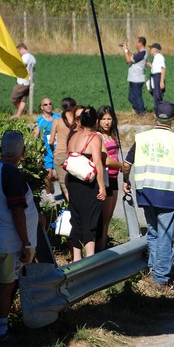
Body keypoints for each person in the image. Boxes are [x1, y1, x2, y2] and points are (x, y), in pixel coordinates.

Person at [123, 101, 174, 290]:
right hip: (168, 195)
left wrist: (125, 180)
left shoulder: (142, 138)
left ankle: (153, 269)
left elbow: (127, 164)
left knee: (153, 232)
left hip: (145, 193)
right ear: (173, 118)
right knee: (165, 236)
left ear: (155, 115)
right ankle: (161, 279)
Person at [0, 130, 39, 340]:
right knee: (7, 284)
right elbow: (17, 211)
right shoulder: (11, 174)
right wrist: (26, 243)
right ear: (23, 152)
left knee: (8, 282)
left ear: (1, 149)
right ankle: (1, 331)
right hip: (9, 243)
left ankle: (3, 323)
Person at [66, 107, 106, 262]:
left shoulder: (73, 136)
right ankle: (90, 259)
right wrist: (102, 186)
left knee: (76, 219)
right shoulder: (95, 137)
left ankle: (76, 258)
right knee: (90, 219)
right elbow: (98, 163)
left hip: (73, 181)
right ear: (96, 121)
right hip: (88, 184)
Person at [95, 105, 124, 251]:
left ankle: (103, 247)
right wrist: (122, 166)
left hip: (114, 178)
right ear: (98, 121)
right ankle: (99, 249)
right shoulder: (98, 136)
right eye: (103, 119)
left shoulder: (112, 135)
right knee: (103, 218)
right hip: (105, 179)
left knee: (108, 218)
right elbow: (106, 160)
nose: (106, 122)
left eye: (109, 119)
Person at [49, 97, 77, 201]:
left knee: (65, 186)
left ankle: (70, 208)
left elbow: (51, 141)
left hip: (60, 155)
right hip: (74, 155)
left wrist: (53, 151)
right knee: (75, 184)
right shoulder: (77, 121)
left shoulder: (57, 121)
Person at [34, 98, 60, 202]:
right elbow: (35, 136)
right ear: (42, 107)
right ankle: (48, 195)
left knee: (60, 175)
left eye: (50, 104)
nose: (48, 106)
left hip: (59, 149)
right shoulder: (39, 121)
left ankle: (50, 182)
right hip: (47, 151)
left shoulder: (58, 118)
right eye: (45, 104)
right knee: (48, 174)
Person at [123, 36, 148, 115]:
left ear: (140, 43)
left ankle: (141, 112)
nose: (135, 44)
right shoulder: (139, 53)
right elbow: (131, 57)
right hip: (133, 78)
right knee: (131, 98)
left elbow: (128, 60)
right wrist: (127, 49)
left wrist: (125, 50)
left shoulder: (142, 52)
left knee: (137, 97)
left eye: (136, 42)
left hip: (137, 78)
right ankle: (139, 110)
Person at [10, 43, 36, 118]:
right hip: (29, 81)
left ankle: (22, 112)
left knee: (13, 98)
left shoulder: (26, 56)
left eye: (18, 51)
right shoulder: (32, 57)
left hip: (22, 82)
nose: (19, 53)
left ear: (21, 48)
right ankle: (19, 114)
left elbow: (20, 65)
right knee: (23, 99)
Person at [146, 42, 166, 107]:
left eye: (151, 48)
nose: (150, 49)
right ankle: (158, 109)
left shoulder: (160, 57)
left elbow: (163, 68)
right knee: (154, 93)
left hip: (157, 77)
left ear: (156, 49)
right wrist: (150, 65)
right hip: (153, 77)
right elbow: (156, 68)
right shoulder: (156, 57)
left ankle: (160, 110)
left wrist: (162, 81)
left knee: (157, 95)